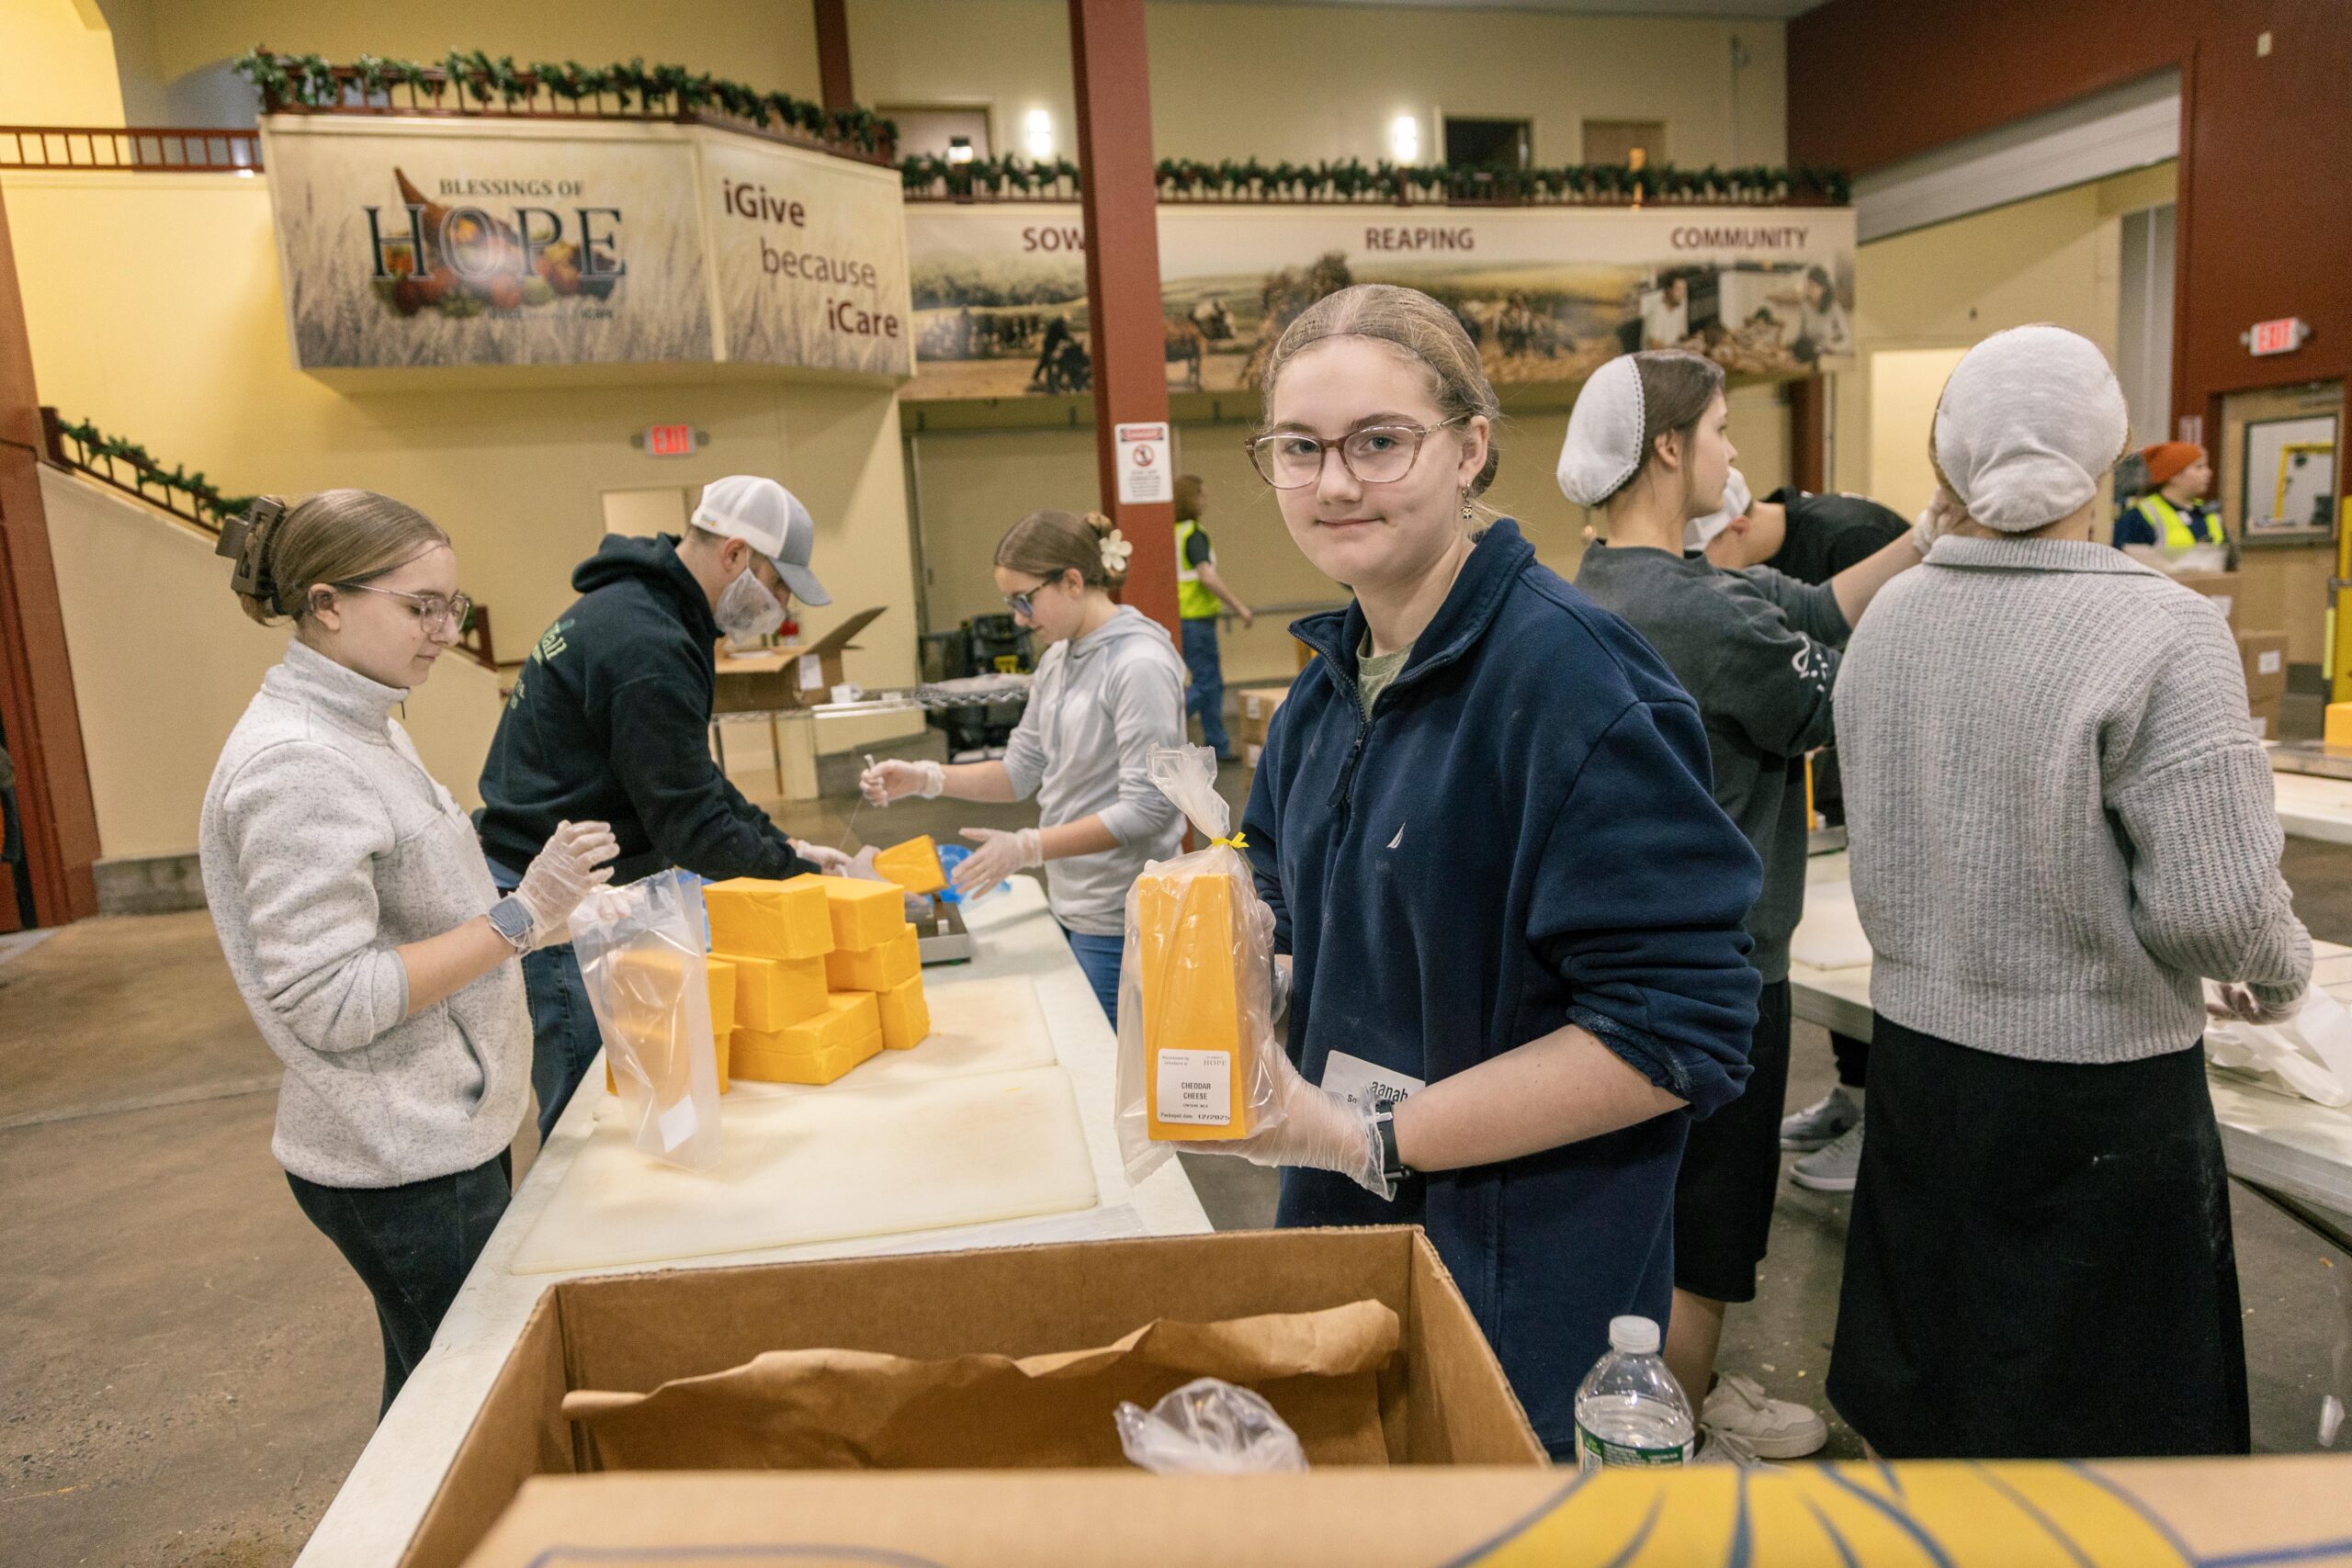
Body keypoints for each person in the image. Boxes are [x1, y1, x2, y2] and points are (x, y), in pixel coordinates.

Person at [1173, 283, 1765, 1461]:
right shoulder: (1328, 684)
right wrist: (1222, 982)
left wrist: (1368, 1136)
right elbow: (1290, 901)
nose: (1336, 483)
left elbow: (1675, 1032)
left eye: (1378, 443)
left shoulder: (1573, 685)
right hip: (1350, 1246)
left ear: (1470, 448)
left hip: (1523, 1282)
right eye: (1299, 450)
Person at [1829, 325, 2307, 1459]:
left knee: (1941, 1401)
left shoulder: (1888, 620)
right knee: (2107, 1431)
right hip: (2095, 1095)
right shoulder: (2162, 629)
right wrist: (2280, 975)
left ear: (1948, 458)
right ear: (2101, 463)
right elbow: (2214, 911)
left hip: (1921, 1065)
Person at [1567, 351, 1933, 1459]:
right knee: (1712, 1212)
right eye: (1721, 431)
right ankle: (1675, 1421)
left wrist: (1925, 536)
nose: (1736, 456)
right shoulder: (1701, 615)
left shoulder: (1608, 582)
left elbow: (1811, 605)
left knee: (1654, 1198)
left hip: (1622, 947)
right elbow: (1829, 698)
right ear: (1670, 448)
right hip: (1724, 964)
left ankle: (1668, 1393)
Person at [198, 491, 618, 1416]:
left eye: (452, 607)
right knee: (482, 1411)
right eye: (419, 606)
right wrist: (517, 920)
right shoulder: (298, 763)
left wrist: (541, 910)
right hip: (400, 1153)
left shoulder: (365, 720)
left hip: (439, 1124)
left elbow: (406, 912)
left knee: (435, 1399)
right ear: (328, 603)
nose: (445, 631)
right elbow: (331, 999)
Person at [477, 475, 852, 1140]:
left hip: (596, 891)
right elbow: (691, 825)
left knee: (643, 1103)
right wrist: (804, 885)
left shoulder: (646, 611)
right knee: (596, 1119)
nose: (783, 603)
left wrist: (788, 847)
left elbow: (691, 777)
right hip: (565, 911)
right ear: (735, 555)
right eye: (779, 583)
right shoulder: (646, 640)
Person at [860, 510, 1185, 1021]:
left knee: (1113, 1072)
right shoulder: (1059, 657)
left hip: (1123, 917)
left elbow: (1149, 809)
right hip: (1073, 900)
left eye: (1023, 600)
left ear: (1073, 581)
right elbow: (1020, 771)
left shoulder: (1138, 664)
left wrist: (1028, 846)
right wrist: (926, 778)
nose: (1017, 618)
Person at [1701, 468, 1914, 1195]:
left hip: (1892, 760)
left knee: (1880, 941)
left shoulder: (1850, 537)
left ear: (1729, 529)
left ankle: (1882, 1120)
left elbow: (1883, 659)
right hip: (1838, 756)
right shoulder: (1760, 569)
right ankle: (1853, 1098)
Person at [1171, 473, 1256, 761]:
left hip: (1179, 617)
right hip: (1196, 618)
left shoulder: (1170, 532)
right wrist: (1238, 606)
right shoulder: (1193, 534)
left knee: (1207, 681)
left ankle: (1216, 744)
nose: (1205, 500)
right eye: (1201, 494)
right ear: (1190, 500)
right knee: (1207, 683)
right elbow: (1206, 576)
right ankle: (1166, 722)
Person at [2114, 441, 2223, 551]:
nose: (2208, 473)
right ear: (2173, 475)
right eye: (2199, 467)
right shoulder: (2138, 517)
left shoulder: (2208, 513)